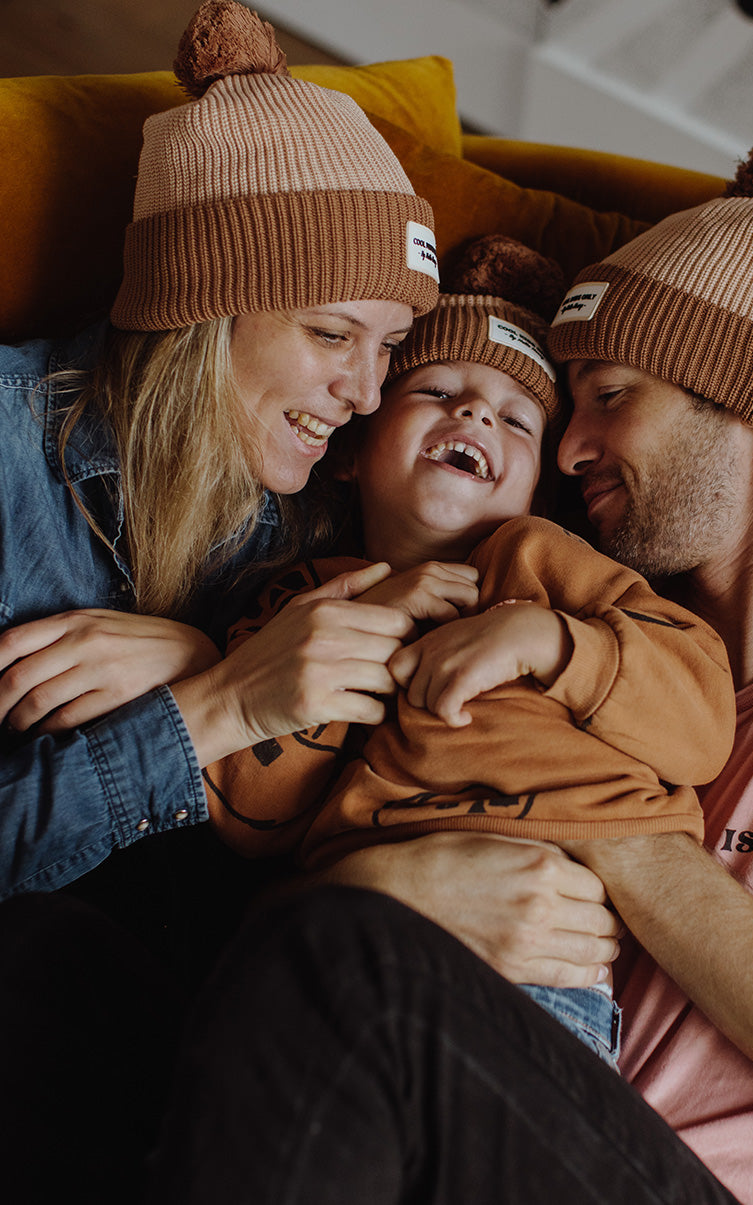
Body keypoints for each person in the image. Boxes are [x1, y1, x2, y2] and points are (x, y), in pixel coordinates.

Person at [144, 140, 753, 1205]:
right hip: (460, 1129)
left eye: (608, 394)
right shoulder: (537, 609)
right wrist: (210, 684)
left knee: (347, 958)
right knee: (58, 960)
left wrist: (597, 813)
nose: (568, 450)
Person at [203, 236, 735, 1063]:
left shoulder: (546, 563)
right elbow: (250, 813)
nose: (476, 414)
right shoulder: (303, 596)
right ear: (350, 452)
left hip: (542, 955)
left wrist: (557, 643)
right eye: (438, 390)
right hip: (356, 928)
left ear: (536, 489)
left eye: (516, 418)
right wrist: (360, 634)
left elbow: (700, 715)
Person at [0, 0, 439, 901]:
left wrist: (204, 657)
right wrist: (218, 705)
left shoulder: (325, 510)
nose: (365, 396)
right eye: (330, 333)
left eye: (390, 346)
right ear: (199, 309)